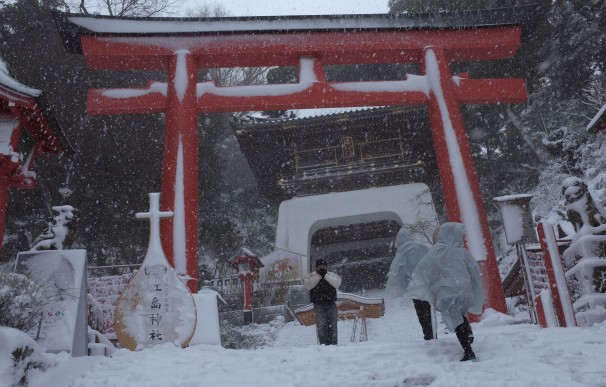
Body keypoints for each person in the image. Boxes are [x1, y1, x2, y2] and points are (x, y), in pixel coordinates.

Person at [406, 222, 485, 361]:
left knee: (456, 318)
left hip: (450, 291)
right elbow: (474, 270)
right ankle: (468, 333)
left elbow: (425, 270)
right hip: (466, 290)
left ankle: (468, 351)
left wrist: (428, 286)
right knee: (459, 314)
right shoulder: (462, 252)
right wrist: (474, 287)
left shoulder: (436, 252)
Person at [385, 227, 434, 340]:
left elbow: (398, 272)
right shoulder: (421, 247)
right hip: (425, 284)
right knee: (428, 309)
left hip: (414, 286)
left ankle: (427, 333)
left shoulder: (402, 253)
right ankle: (432, 331)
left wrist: (403, 286)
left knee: (420, 312)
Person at [304, 259, 342, 345]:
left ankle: (334, 344)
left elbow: (337, 283)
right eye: (320, 266)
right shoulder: (310, 276)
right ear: (316, 267)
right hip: (318, 305)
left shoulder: (331, 275)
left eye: (324, 266)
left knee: (333, 325)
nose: (322, 267)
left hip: (331, 304)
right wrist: (319, 276)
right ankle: (323, 345)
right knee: (321, 325)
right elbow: (309, 285)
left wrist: (325, 276)